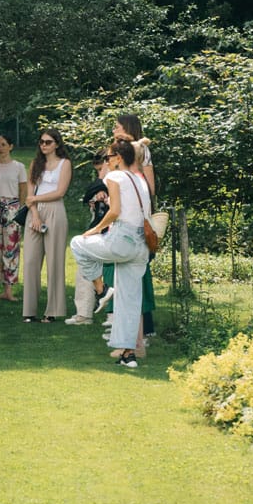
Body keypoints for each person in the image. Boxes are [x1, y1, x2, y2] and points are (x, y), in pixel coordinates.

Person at [70, 138, 150, 368]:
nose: (106, 161)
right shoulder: (140, 180)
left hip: (123, 240)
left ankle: (101, 288)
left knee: (77, 243)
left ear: (117, 158)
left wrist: (95, 230)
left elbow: (114, 211)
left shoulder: (114, 176)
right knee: (130, 300)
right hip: (141, 246)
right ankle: (128, 354)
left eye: (108, 157)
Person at [22, 128, 72, 323]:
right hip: (34, 211)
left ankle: (53, 310)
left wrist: (34, 198)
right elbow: (29, 193)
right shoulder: (35, 164)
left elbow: (60, 192)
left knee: (54, 261)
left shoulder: (64, 164)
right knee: (31, 261)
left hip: (55, 211)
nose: (44, 145)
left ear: (57, 144)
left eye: (48, 142)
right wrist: (34, 214)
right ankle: (29, 310)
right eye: (41, 142)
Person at [113, 113, 157, 339]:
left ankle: (144, 327)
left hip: (137, 218)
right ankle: (125, 328)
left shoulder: (142, 151)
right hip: (123, 216)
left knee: (140, 273)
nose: (113, 130)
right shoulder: (118, 151)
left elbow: (150, 187)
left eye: (117, 127)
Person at [65, 150, 109, 325]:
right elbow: (88, 194)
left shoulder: (119, 179)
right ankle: (83, 313)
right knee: (84, 264)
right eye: (97, 170)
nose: (100, 173)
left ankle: (112, 314)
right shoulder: (101, 183)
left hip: (113, 232)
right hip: (98, 230)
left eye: (101, 168)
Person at [0, 134, 28, 302]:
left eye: (4, 144)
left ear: (11, 146)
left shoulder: (18, 167)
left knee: (11, 248)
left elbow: (23, 190)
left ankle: (10, 289)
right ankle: (2, 286)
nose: (1, 148)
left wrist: (19, 210)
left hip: (12, 208)